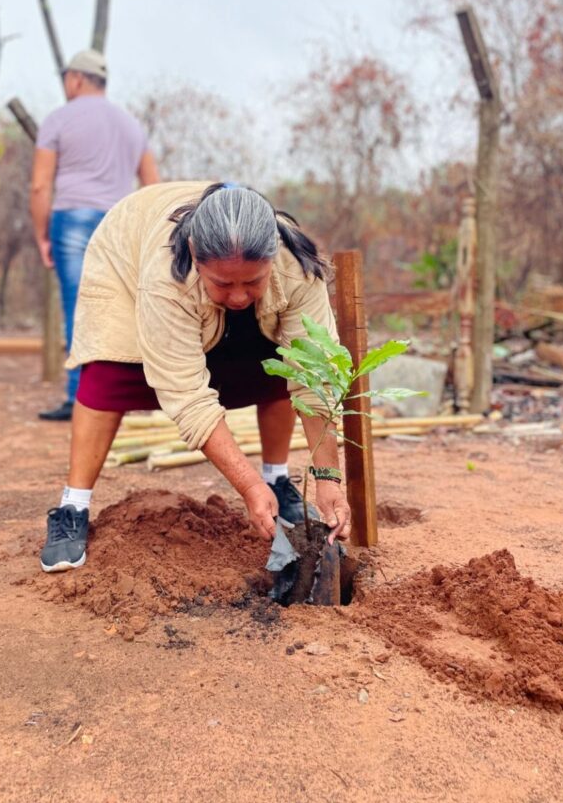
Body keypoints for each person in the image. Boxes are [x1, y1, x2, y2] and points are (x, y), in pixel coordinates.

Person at [39, 180, 351, 572]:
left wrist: (328, 480)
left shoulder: (297, 268)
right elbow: (187, 396)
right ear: (195, 257)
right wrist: (247, 486)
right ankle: (73, 505)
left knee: (281, 362)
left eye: (253, 281)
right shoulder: (164, 278)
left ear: (272, 258)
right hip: (124, 257)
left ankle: (277, 480)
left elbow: (314, 372)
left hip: (218, 284)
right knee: (110, 372)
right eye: (223, 283)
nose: (238, 297)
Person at [30, 49, 159, 421]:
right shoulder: (131, 124)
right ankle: (131, 394)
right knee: (124, 307)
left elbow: (40, 186)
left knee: (79, 307)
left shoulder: (57, 119)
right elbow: (152, 184)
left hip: (72, 218)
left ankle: (78, 398)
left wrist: (42, 236)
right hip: (120, 223)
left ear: (76, 79)